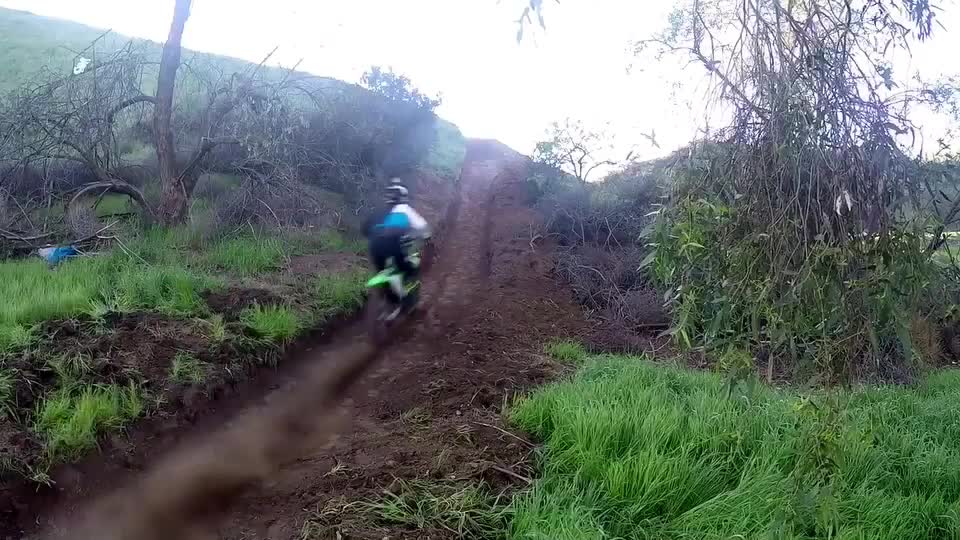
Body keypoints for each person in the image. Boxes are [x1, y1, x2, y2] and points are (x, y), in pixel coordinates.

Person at [363, 178, 432, 317]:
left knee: (383, 271)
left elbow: (364, 229)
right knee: (408, 267)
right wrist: (426, 238)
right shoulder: (404, 209)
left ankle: (390, 299)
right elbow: (422, 227)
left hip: (374, 247)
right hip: (393, 245)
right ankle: (406, 298)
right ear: (404, 197)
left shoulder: (381, 211)